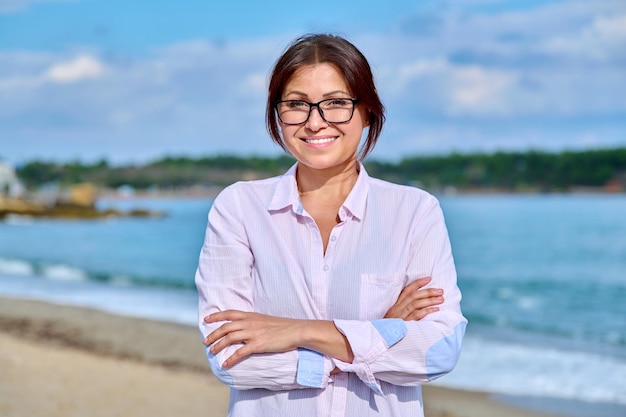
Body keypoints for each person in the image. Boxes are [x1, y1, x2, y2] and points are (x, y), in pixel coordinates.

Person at [195, 33, 467, 417]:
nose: (315, 122)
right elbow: (230, 357)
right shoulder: (239, 207)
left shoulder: (415, 211)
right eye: (296, 105)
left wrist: (297, 331)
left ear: (368, 110)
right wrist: (379, 329)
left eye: (337, 103)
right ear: (277, 113)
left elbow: (438, 350)